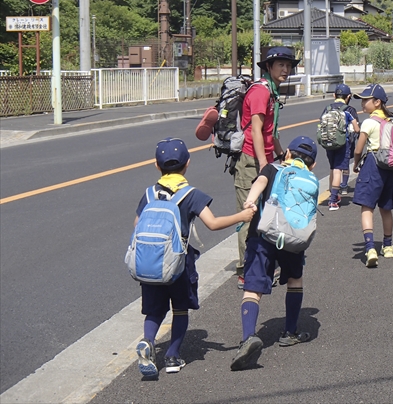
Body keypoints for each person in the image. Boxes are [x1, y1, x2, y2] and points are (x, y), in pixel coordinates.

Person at [134, 137, 255, 377]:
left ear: (157, 166)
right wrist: (242, 216)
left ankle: (148, 341)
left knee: (155, 311)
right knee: (180, 309)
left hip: (152, 265)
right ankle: (172, 356)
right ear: (187, 164)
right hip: (179, 263)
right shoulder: (190, 195)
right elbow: (213, 223)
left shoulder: (148, 194)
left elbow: (137, 226)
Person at [230, 136, 318, 371]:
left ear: (287, 153)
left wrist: (250, 201)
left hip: (262, 235)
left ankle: (248, 336)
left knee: (252, 288)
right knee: (294, 279)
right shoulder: (310, 178)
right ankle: (290, 332)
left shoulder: (272, 168)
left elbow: (259, 182)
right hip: (292, 239)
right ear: (313, 165)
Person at [233, 46, 300, 289]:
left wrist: (281, 154)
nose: (286, 69)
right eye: (280, 64)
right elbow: (255, 130)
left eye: (288, 65)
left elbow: (271, 132)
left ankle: (262, 262)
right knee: (249, 213)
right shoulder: (261, 92)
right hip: (251, 160)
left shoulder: (272, 91)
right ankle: (245, 270)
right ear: (269, 67)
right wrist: (264, 164)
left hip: (264, 158)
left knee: (267, 212)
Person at [352, 84, 393, 268]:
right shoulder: (392, 122)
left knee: (367, 207)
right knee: (386, 208)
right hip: (390, 168)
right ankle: (388, 247)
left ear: (377, 102)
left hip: (373, 165)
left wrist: (356, 164)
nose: (363, 103)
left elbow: (359, 149)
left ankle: (370, 247)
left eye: (366, 99)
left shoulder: (368, 123)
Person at [321, 84, 360, 210]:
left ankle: (332, 193)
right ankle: (333, 200)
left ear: (334, 95)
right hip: (343, 143)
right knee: (338, 169)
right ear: (348, 96)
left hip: (328, 142)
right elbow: (356, 128)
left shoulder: (327, 108)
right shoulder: (349, 109)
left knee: (332, 168)